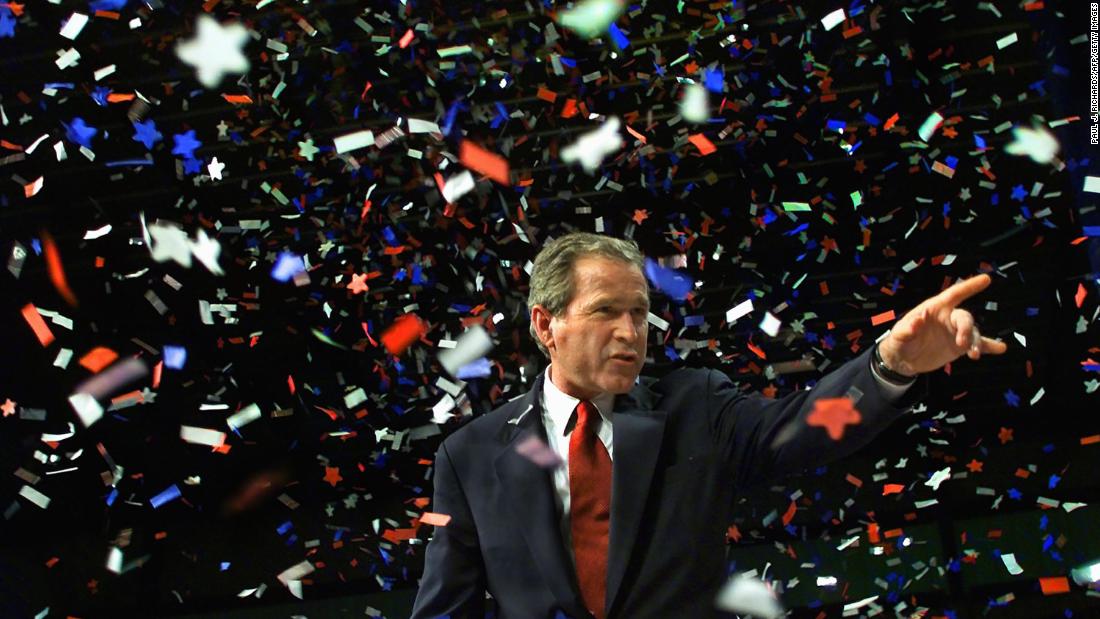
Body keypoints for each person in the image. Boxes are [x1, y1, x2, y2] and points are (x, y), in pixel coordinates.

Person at [410, 232, 1007, 619]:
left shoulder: (695, 405)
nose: (629, 331)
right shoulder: (472, 454)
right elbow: (445, 610)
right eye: (604, 312)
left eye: (639, 313)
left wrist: (888, 367)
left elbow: (806, 427)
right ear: (546, 325)